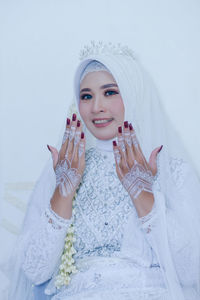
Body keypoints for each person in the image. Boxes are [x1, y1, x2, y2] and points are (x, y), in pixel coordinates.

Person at [8, 41, 200, 300]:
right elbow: (35, 271)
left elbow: (189, 271)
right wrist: (64, 192)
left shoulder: (171, 170)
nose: (96, 106)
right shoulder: (67, 169)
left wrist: (144, 196)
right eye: (86, 96)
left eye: (110, 92)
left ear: (133, 93)